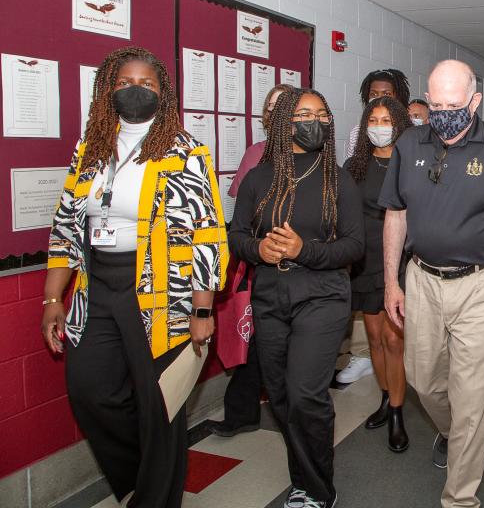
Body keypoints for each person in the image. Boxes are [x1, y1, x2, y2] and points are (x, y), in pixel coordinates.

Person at [40, 46, 228, 507]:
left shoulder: (185, 152)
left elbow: (207, 234)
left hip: (165, 293)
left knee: (159, 404)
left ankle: (156, 499)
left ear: (163, 93)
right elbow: (66, 227)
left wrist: (203, 308)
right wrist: (52, 299)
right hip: (97, 287)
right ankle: (134, 481)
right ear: (109, 89)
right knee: (91, 391)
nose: (136, 90)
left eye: (147, 84)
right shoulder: (89, 151)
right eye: (125, 82)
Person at [379, 60, 484, 508]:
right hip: (423, 281)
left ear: (475, 101)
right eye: (435, 103)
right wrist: (391, 282)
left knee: (472, 398)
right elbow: (395, 214)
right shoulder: (409, 142)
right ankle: (451, 433)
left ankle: (460, 497)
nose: (443, 112)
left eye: (454, 104)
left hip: (483, 284)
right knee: (423, 380)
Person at [229, 88, 364, 508]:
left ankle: (318, 490)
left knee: (306, 392)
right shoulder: (259, 177)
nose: (315, 121)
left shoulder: (337, 178)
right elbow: (236, 237)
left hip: (322, 294)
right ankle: (305, 477)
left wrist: (303, 250)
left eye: (322, 114)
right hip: (271, 295)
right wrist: (259, 250)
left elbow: (355, 246)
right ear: (284, 121)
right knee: (283, 396)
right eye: (305, 113)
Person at [210, 82, 297, 438]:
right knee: (258, 336)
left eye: (284, 106)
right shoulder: (255, 153)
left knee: (290, 343)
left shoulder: (312, 153)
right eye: (270, 107)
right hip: (259, 258)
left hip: (299, 260)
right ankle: (242, 412)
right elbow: (240, 213)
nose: (275, 113)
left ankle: (295, 413)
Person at [344, 96, 413, 453]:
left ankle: (399, 412)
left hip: (399, 258)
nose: (380, 126)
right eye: (374, 119)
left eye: (387, 120)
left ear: (398, 124)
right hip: (364, 258)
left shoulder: (411, 164)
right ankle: (386, 398)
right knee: (372, 338)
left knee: (393, 339)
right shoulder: (354, 166)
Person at [345, 68, 411, 158]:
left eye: (386, 94)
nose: (379, 98)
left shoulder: (410, 132)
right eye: (374, 94)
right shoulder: (356, 133)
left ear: (398, 97)